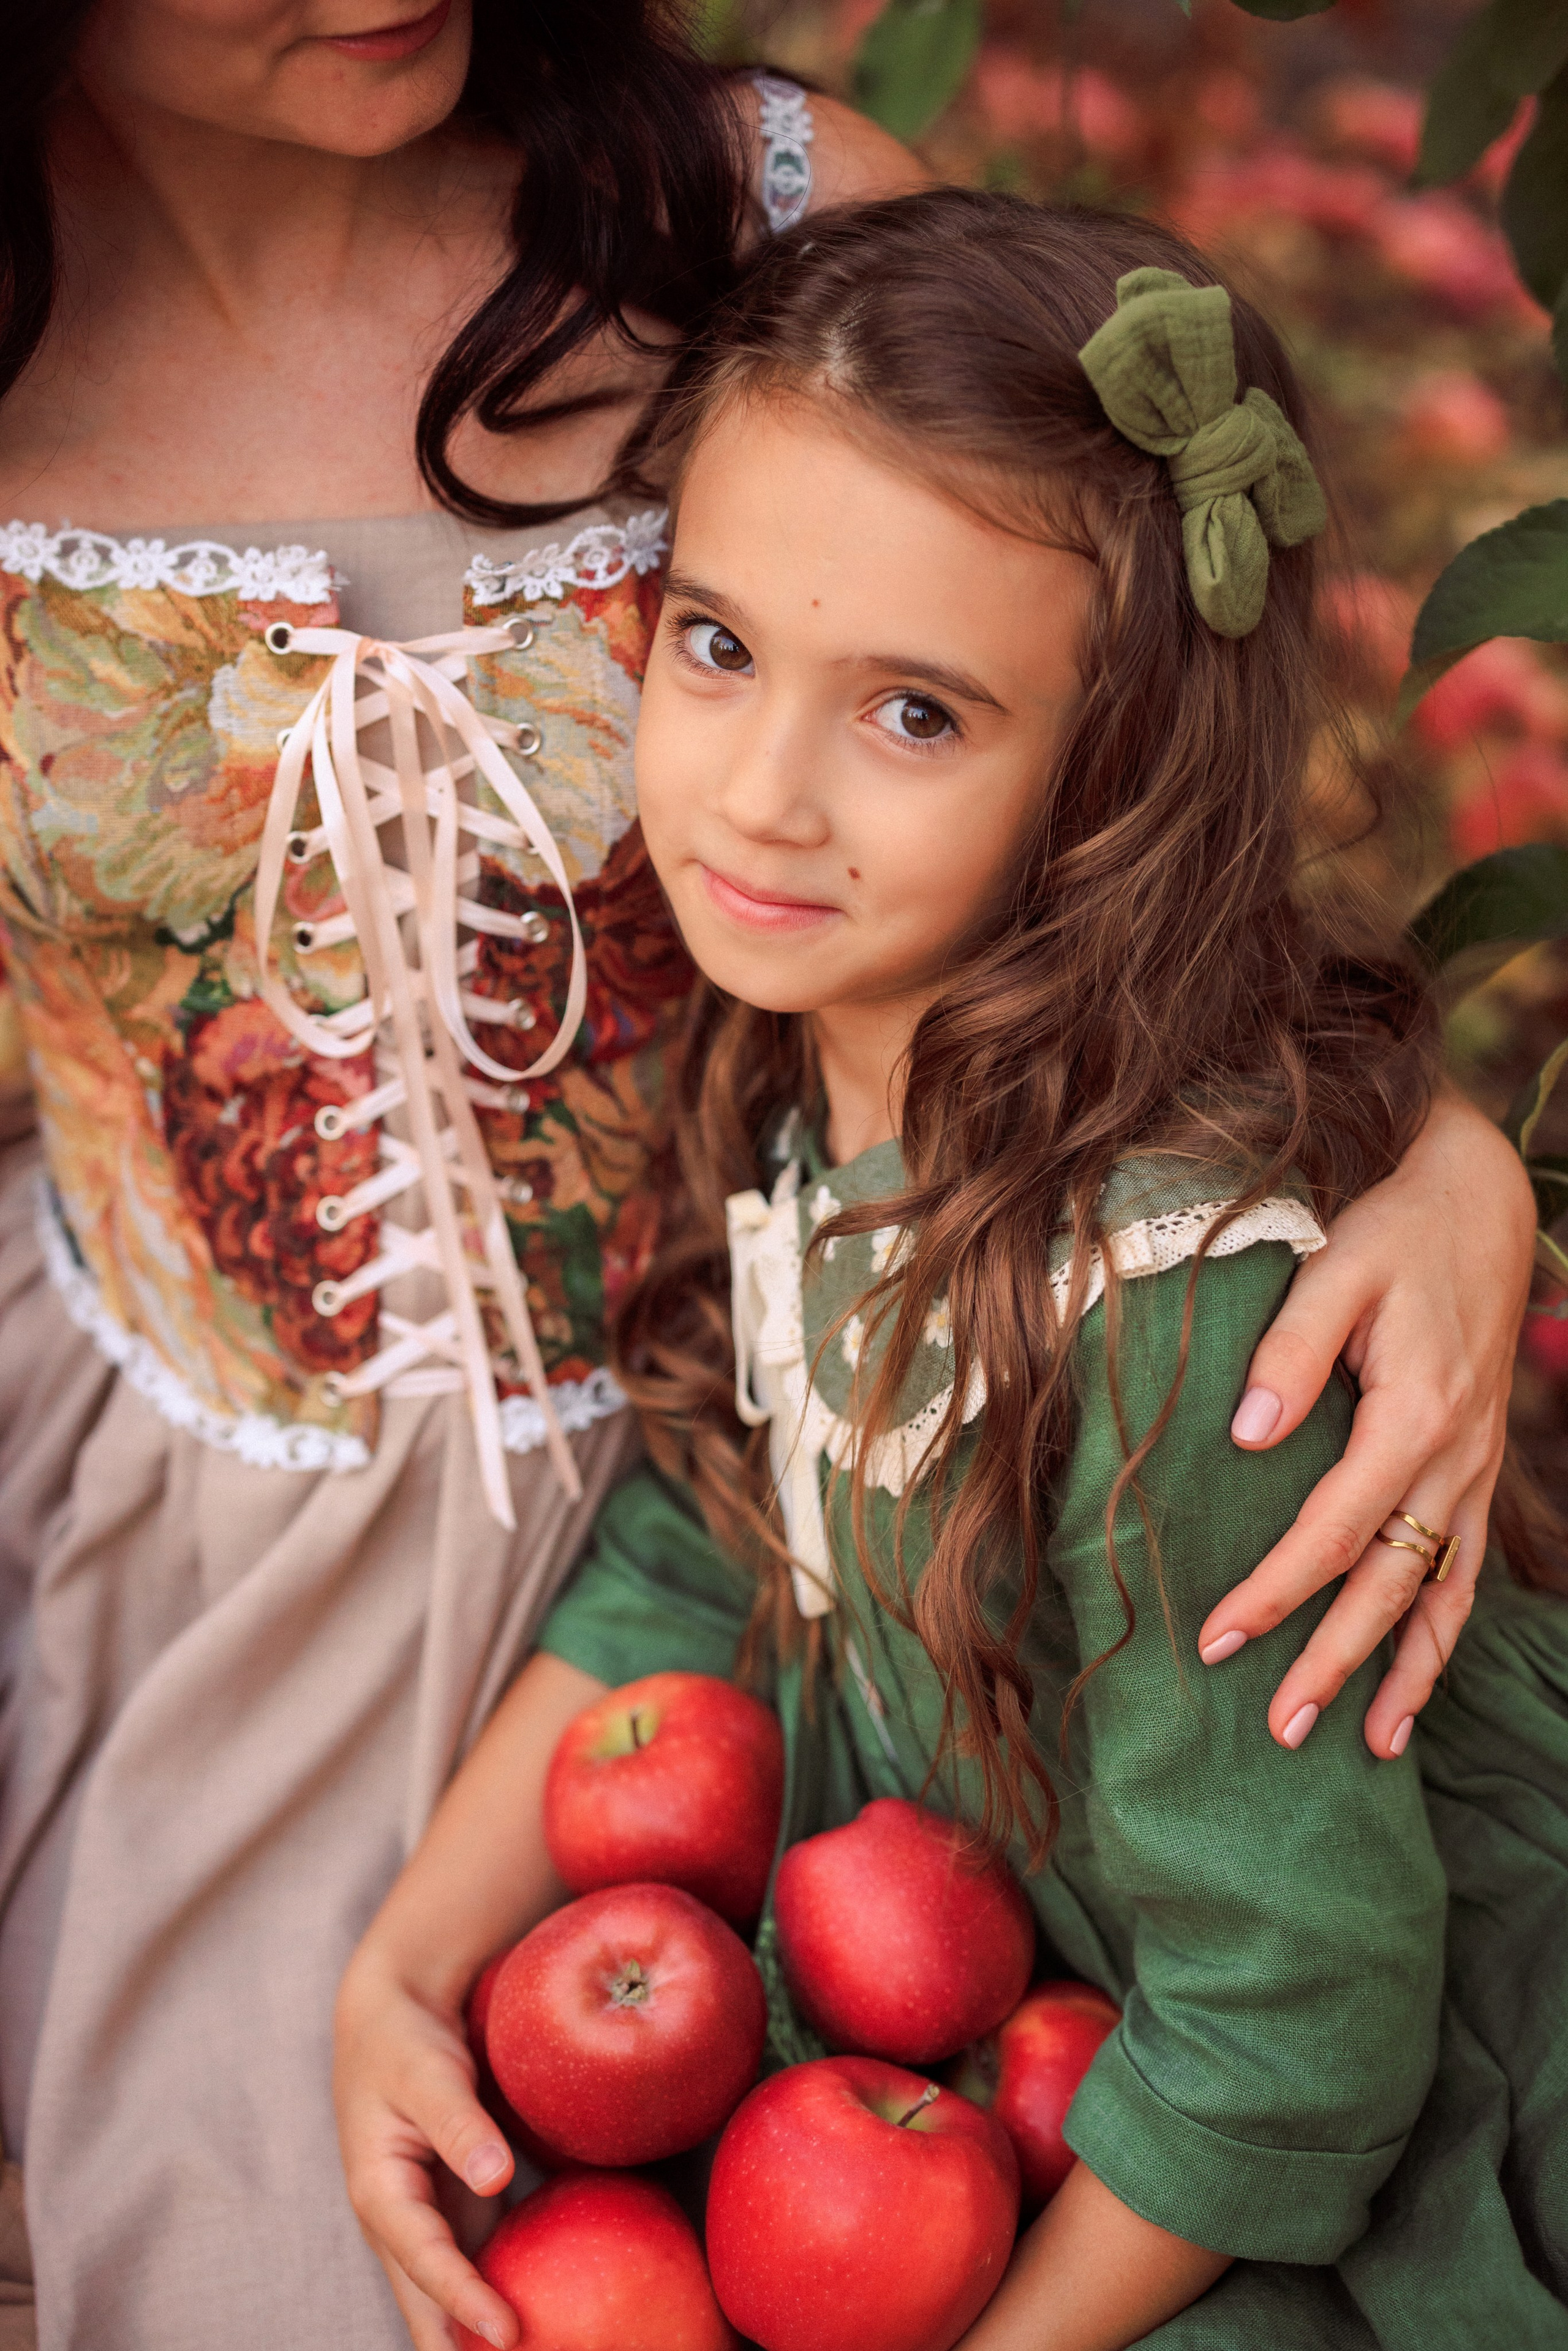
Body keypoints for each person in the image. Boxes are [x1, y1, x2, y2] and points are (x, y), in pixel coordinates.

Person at [0, 0, 1533, 2341]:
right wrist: (410, 1948)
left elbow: (1287, 2020)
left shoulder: (1162, 1331)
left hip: (1087, 1868)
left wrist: (1444, 1166)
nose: (756, 795)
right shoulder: (812, 1135)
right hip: (425, 1545)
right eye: (701, 648)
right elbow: (729, 1474)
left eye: (903, 717)